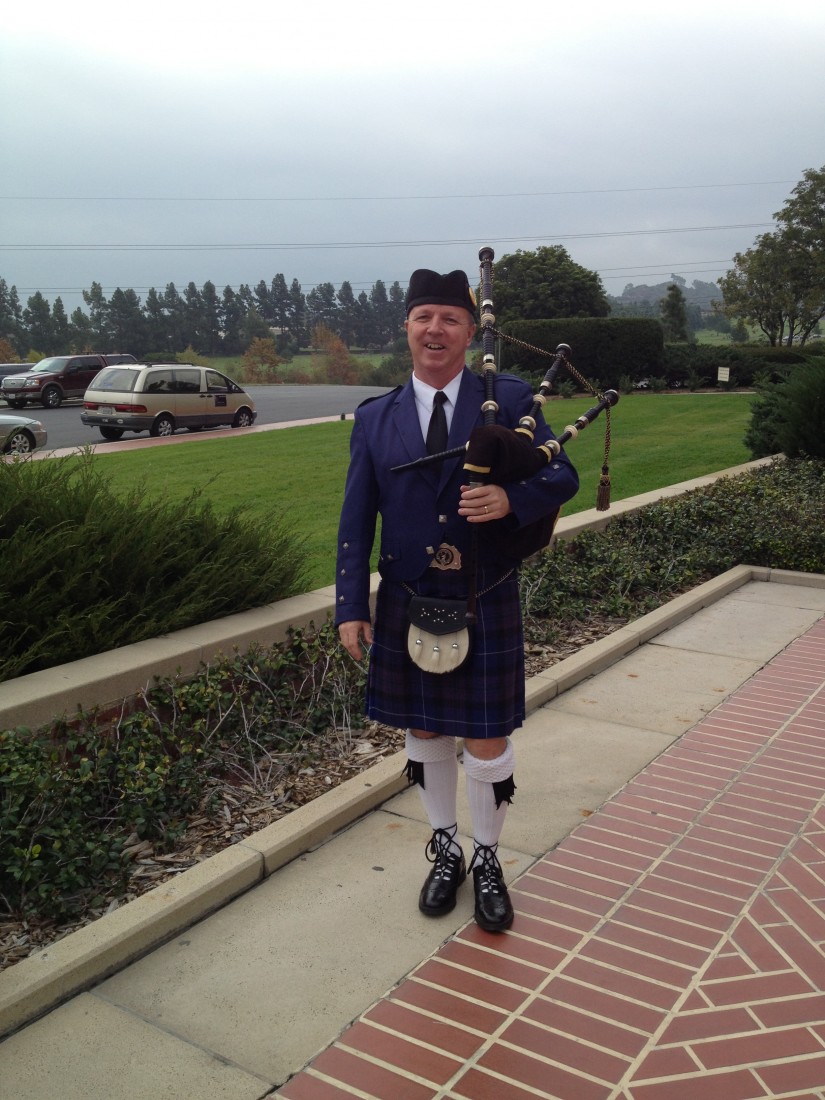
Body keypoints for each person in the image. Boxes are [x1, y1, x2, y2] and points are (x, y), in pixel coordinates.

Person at [336, 268, 579, 933]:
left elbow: (562, 471)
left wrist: (511, 499)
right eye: (423, 318)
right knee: (422, 729)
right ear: (407, 328)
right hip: (409, 594)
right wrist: (349, 604)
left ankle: (488, 857)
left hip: (484, 589)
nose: (435, 330)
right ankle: (444, 848)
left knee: (486, 734)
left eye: (449, 318)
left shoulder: (507, 397)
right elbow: (356, 516)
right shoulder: (375, 417)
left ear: (470, 331)